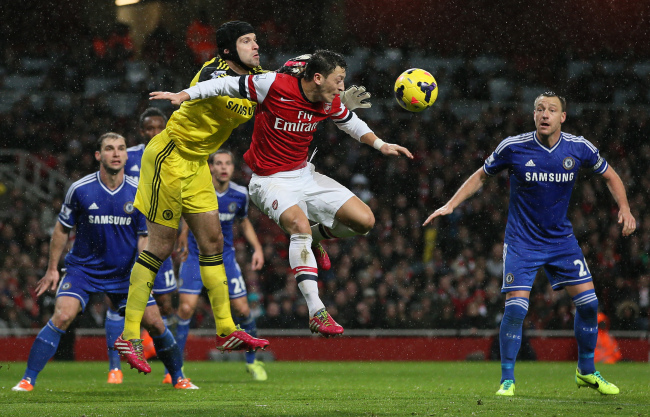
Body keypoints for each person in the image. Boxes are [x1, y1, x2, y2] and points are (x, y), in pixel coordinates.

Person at [150, 49, 413, 337]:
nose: (342, 87)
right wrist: (186, 94)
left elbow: (348, 120)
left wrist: (381, 145)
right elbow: (225, 84)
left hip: (305, 175)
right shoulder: (272, 84)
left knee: (365, 221)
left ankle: (314, 238)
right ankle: (317, 311)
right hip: (268, 181)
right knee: (299, 225)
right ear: (317, 77)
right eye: (338, 80)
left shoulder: (329, 99)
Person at [423, 92, 636, 396]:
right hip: (522, 242)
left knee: (589, 305)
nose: (544, 114)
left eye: (551, 110)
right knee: (516, 310)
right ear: (533, 115)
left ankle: (586, 371)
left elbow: (611, 175)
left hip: (561, 240)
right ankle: (507, 380)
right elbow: (481, 176)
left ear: (563, 116)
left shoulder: (579, 148)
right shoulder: (514, 147)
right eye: (539, 109)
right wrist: (451, 204)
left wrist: (625, 208)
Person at [12, 133, 196, 392]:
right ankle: (27, 380)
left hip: (124, 274)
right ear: (99, 155)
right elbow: (62, 229)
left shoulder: (139, 191)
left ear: (126, 155)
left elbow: (145, 238)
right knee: (63, 315)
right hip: (83, 270)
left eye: (121, 148)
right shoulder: (80, 189)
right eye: (109, 149)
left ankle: (179, 378)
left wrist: (143, 274)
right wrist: (53, 268)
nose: (117, 153)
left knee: (156, 323)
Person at [105, 107, 184, 385]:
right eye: (149, 128)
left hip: (161, 237)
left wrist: (183, 233)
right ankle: (115, 368)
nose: (154, 133)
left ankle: (169, 366)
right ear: (141, 131)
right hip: (130, 239)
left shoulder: (175, 153)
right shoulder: (129, 156)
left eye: (158, 128)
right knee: (120, 303)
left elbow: (182, 196)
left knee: (165, 303)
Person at [177, 149, 267, 380]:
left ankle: (252, 361)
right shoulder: (199, 189)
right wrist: (183, 238)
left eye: (228, 163)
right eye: (219, 163)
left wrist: (257, 248)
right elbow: (188, 216)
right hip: (196, 257)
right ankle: (176, 367)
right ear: (211, 167)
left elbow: (244, 222)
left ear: (232, 168)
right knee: (186, 309)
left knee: (243, 309)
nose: (224, 167)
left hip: (224, 257)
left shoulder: (239, 194)